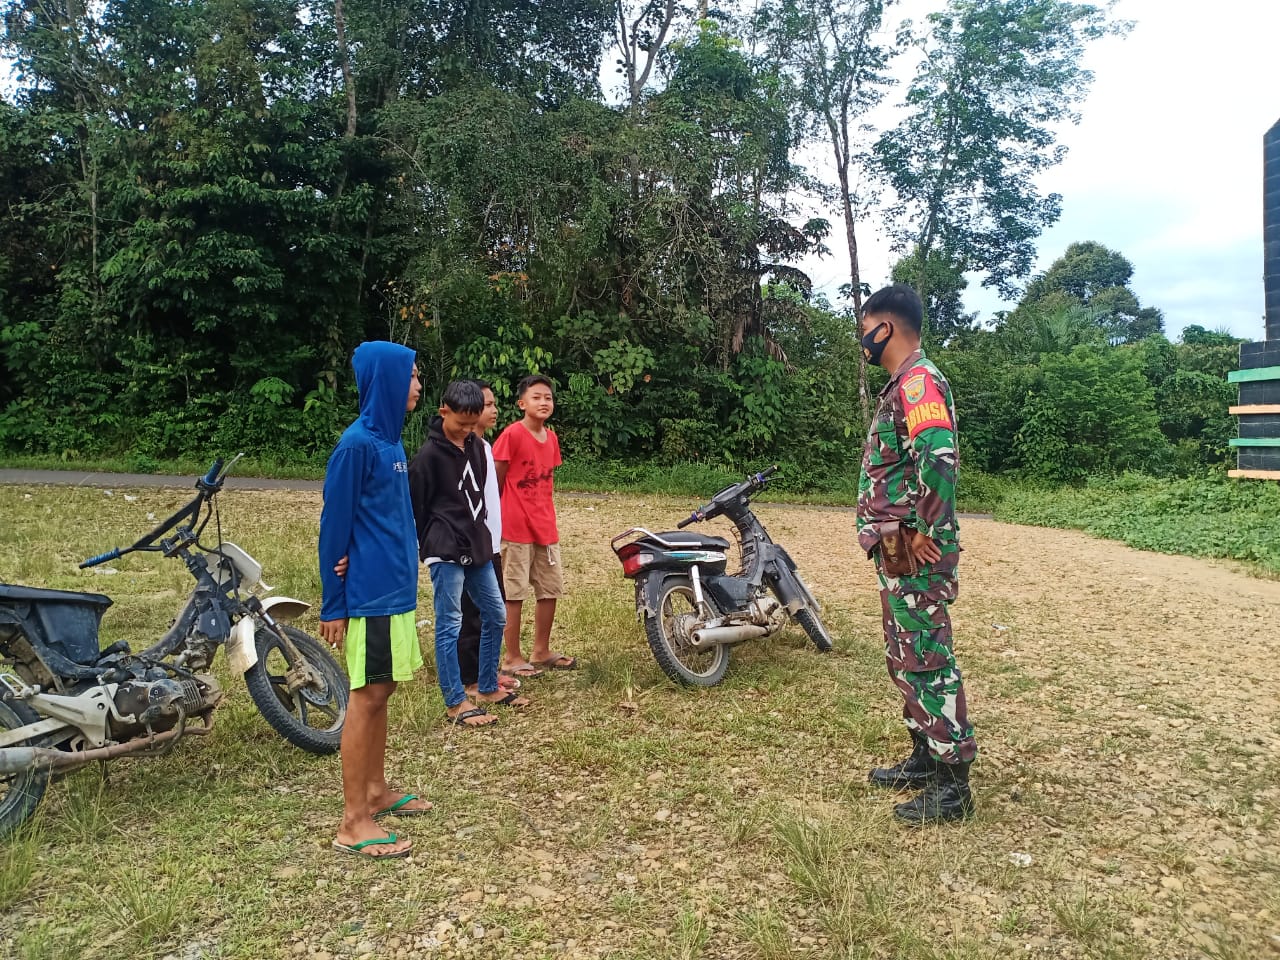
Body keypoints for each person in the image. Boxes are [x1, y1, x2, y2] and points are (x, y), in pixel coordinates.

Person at [855, 284, 978, 825]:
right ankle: (926, 756)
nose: (863, 340)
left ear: (887, 327)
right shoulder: (902, 384)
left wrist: (928, 525)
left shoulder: (919, 382)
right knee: (906, 655)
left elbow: (939, 455)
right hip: (898, 550)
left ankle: (953, 786)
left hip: (917, 550)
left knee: (926, 657)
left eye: (866, 329)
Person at [319, 341, 430, 860]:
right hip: (371, 598)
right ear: (386, 380)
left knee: (383, 690)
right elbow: (333, 527)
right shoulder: (357, 446)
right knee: (366, 695)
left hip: (395, 592)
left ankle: (376, 791)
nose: (418, 385)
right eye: (411, 376)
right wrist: (334, 602)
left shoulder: (392, 443)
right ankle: (353, 821)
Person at [409, 379, 517, 728]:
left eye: (473, 424)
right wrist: (429, 545)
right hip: (445, 550)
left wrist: (484, 536)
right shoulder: (427, 457)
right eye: (462, 423)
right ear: (444, 411)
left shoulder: (477, 446)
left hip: (477, 545)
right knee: (450, 623)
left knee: (495, 614)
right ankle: (455, 701)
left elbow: (481, 496)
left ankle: (486, 685)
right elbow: (416, 507)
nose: (468, 430)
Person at [492, 374, 575, 676]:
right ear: (521, 404)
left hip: (545, 527)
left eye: (548, 397)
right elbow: (496, 480)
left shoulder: (551, 438)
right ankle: (512, 656)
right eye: (536, 397)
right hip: (515, 527)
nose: (543, 402)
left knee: (549, 589)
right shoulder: (512, 435)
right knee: (514, 593)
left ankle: (541, 651)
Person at [457, 381, 522, 699]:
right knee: (473, 613)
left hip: (491, 543)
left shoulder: (484, 447)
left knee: (493, 611)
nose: (493, 410)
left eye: (494, 404)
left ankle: (488, 671)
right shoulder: (461, 449)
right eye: (487, 405)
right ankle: (470, 679)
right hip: (472, 545)